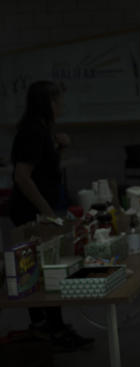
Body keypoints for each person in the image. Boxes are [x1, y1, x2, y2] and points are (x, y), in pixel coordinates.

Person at [10, 81, 93, 351]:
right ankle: (50, 328)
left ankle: (48, 326)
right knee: (42, 267)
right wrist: (45, 210)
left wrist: (59, 148)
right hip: (30, 211)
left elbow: (43, 169)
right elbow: (23, 177)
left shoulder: (42, 130)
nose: (63, 106)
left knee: (41, 267)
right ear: (49, 103)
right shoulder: (33, 131)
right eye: (59, 101)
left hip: (38, 207)